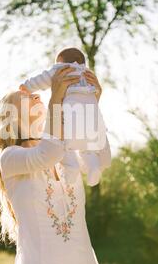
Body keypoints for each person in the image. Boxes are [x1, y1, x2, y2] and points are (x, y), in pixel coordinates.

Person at [0, 65, 112, 264]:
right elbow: (46, 153)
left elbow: (100, 158)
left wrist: (92, 106)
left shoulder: (65, 148)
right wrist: (57, 95)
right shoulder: (10, 158)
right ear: (12, 117)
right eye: (29, 98)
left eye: (38, 96)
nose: (39, 97)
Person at [19, 47, 108, 186]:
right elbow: (94, 92)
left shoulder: (60, 70)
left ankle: (71, 170)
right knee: (88, 148)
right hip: (92, 116)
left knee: (65, 146)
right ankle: (93, 167)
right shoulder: (87, 73)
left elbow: (41, 79)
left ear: (60, 62)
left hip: (71, 114)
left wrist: (27, 86)